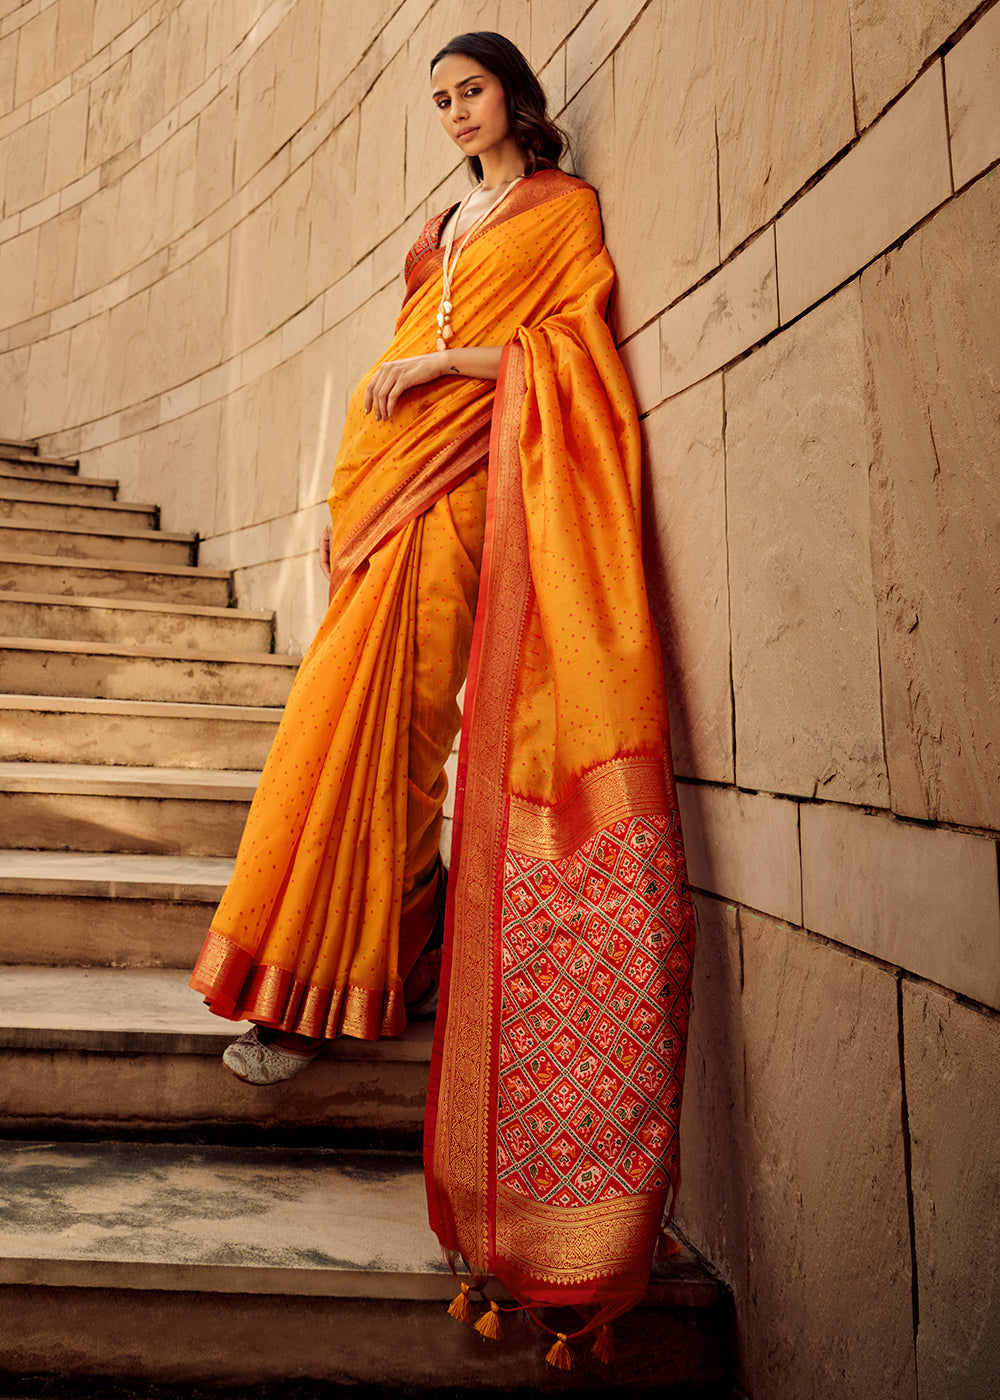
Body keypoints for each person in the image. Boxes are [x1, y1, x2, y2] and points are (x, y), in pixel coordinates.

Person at [190, 31, 695, 1361]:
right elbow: (430, 319)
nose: (453, 114)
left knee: (398, 734)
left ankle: (327, 988)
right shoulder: (443, 226)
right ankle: (326, 973)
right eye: (436, 102)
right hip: (388, 495)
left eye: (466, 92)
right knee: (338, 733)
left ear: (513, 97)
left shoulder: (560, 215)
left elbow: (570, 356)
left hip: (466, 489)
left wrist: (441, 373)